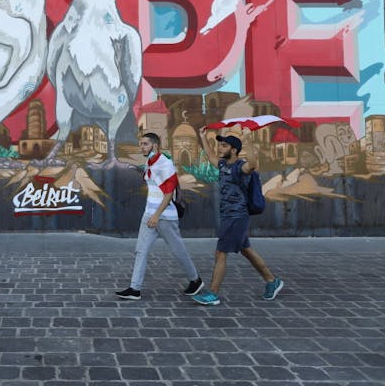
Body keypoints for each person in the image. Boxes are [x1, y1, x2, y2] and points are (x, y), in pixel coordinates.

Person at [192, 128, 284, 306]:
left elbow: (253, 164)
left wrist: (248, 140)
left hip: (236, 216)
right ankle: (272, 281)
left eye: (224, 146)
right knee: (246, 250)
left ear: (233, 150)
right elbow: (211, 157)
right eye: (220, 145)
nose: (220, 148)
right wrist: (202, 137)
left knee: (220, 252)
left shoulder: (240, 167)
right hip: (228, 215)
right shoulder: (223, 165)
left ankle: (213, 293)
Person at [116, 133, 204, 300]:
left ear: (155, 146)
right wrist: (152, 214)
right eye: (140, 143)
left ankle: (196, 280)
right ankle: (135, 289)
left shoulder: (164, 164)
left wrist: (156, 216)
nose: (141, 147)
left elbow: (169, 193)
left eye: (145, 144)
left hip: (164, 217)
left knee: (178, 251)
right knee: (141, 251)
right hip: (149, 214)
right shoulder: (150, 162)